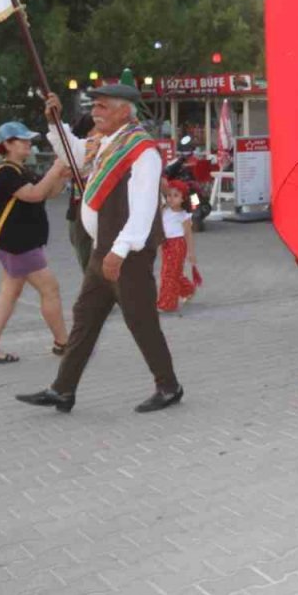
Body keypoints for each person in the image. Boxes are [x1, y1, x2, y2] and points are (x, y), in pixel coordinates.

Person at [18, 85, 182, 414]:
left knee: (141, 321)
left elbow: (144, 208)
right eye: (94, 106)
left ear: (125, 111)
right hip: (103, 250)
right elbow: (74, 154)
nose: (95, 112)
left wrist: (119, 250)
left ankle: (168, 386)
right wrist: (55, 122)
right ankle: (63, 390)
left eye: (103, 106)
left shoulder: (141, 150)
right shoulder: (109, 142)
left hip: (126, 254)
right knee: (85, 319)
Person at [0, 122, 71, 365]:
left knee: (9, 294)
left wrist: (60, 175)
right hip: (20, 245)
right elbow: (34, 194)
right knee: (50, 290)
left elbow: (49, 192)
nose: (29, 143)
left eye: (29, 139)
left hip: (19, 243)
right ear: (7, 145)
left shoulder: (21, 170)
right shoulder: (7, 172)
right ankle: (63, 343)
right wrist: (56, 166)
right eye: (22, 140)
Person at [65, 112, 100, 272]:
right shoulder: (80, 151)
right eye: (97, 127)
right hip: (80, 213)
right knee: (89, 267)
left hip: (104, 214)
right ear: (88, 132)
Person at [156, 180, 197, 313]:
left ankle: (166, 304)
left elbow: (188, 235)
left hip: (178, 245)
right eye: (169, 195)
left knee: (168, 274)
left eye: (175, 196)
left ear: (183, 198)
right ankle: (188, 290)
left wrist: (191, 253)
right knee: (173, 272)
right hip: (166, 244)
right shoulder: (164, 210)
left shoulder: (184, 215)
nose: (171, 198)